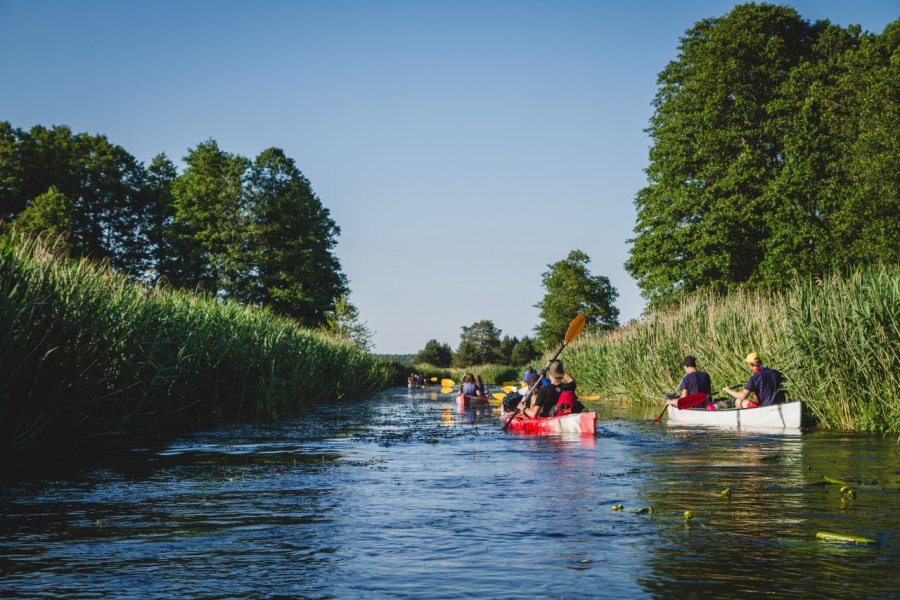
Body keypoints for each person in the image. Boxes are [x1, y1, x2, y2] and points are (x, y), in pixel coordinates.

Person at [721, 352, 786, 408]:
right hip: (782, 405)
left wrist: (728, 390)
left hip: (765, 408)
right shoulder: (776, 372)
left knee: (738, 401)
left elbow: (743, 396)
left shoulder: (755, 377)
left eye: (748, 364)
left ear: (750, 364)